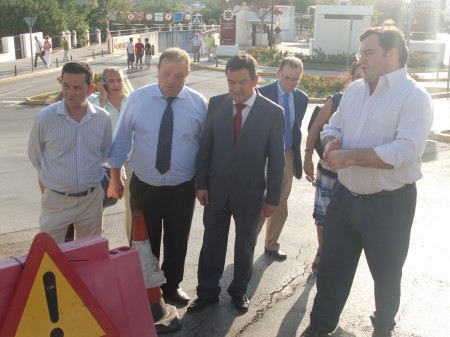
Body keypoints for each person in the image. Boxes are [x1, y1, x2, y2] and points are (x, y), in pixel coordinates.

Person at [300, 26, 434, 337]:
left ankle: (383, 328)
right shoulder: (356, 90)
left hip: (389, 205)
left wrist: (353, 156)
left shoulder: (414, 97)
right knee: (332, 270)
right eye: (360, 53)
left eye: (369, 52)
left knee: (386, 276)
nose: (361, 59)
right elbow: (333, 126)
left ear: (392, 54)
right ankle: (319, 328)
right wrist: (332, 142)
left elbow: (406, 150)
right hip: (345, 199)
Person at [108, 48, 208, 305]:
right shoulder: (138, 99)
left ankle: (171, 286)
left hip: (182, 187)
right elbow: (121, 140)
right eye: (165, 74)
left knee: (177, 239)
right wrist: (115, 177)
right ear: (157, 71)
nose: (171, 80)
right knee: (143, 240)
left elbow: (207, 148)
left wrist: (204, 183)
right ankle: (144, 288)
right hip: (144, 185)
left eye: (178, 75)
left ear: (188, 73)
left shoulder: (199, 104)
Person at [188, 54, 285, 314]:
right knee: (212, 244)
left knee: (245, 246)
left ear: (255, 80)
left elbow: (277, 161)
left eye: (242, 82)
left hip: (251, 195)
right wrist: (202, 184)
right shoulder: (217, 104)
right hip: (216, 191)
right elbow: (205, 149)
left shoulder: (273, 113)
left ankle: (239, 291)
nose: (236, 89)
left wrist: (273, 198)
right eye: (230, 82)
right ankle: (207, 292)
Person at [27, 61, 113, 244]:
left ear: (90, 89)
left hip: (91, 200)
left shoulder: (102, 119)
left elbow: (103, 155)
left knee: (90, 255)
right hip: (56, 202)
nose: (69, 93)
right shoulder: (44, 118)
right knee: (51, 256)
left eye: (76, 87)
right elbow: (36, 157)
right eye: (65, 86)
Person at [303, 61, 363, 274]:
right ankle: (322, 251)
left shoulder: (374, 105)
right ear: (351, 79)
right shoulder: (337, 100)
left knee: (346, 221)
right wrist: (308, 156)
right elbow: (316, 128)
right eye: (357, 76)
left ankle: (336, 255)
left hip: (354, 176)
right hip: (328, 172)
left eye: (365, 75)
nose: (361, 80)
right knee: (323, 216)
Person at [257, 56, 309, 261]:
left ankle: (271, 245)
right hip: (262, 155)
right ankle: (247, 243)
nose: (290, 83)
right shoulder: (262, 93)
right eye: (287, 77)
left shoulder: (301, 99)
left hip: (287, 155)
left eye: (295, 79)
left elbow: (295, 128)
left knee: (280, 201)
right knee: (260, 200)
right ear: (278, 73)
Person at [88, 67, 131, 240]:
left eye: (119, 80)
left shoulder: (132, 101)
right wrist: (103, 99)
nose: (116, 84)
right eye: (111, 81)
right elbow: (89, 124)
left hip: (129, 161)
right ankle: (95, 245)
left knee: (133, 206)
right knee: (96, 209)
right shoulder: (93, 101)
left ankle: (134, 247)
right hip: (102, 163)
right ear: (103, 84)